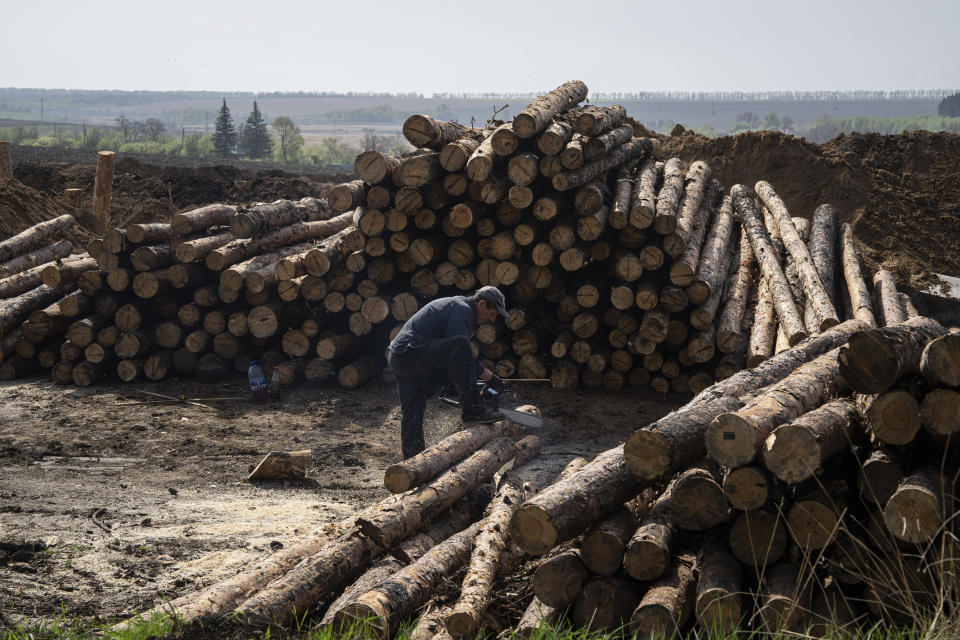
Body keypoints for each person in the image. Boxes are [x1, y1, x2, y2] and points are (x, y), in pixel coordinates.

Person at [387, 286, 509, 459]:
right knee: (460, 345)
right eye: (493, 313)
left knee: (413, 410)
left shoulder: (458, 307)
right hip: (411, 354)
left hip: (401, 358)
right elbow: (460, 351)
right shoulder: (462, 310)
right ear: (482, 304)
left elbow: (456, 358)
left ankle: (413, 462)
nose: (492, 318)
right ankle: (473, 409)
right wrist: (492, 379)